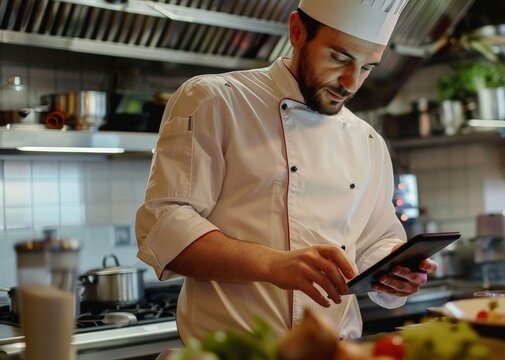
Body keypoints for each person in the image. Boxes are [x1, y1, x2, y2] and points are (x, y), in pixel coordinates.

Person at [135, 0, 438, 342]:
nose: (351, 83)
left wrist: (393, 273)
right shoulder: (216, 100)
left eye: (367, 67)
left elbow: (375, 242)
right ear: (297, 31)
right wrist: (273, 264)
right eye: (339, 58)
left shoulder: (367, 140)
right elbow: (164, 225)